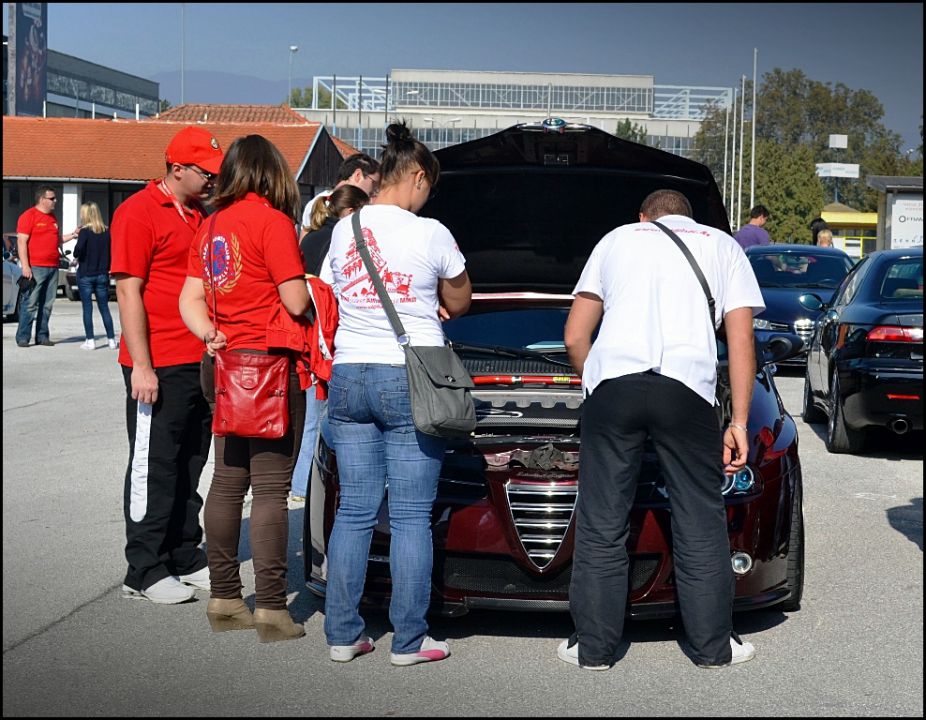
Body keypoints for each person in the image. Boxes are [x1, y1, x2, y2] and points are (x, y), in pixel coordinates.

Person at [559, 188, 765, 670]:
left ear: (643, 217)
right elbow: (740, 341)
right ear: (691, 218)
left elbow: (574, 335)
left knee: (602, 522)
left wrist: (600, 385)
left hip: (615, 385)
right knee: (699, 519)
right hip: (686, 389)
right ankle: (714, 649)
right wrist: (736, 421)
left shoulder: (616, 240)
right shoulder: (723, 245)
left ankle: (593, 651)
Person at [320, 121, 471, 666]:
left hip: (349, 372)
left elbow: (337, 291)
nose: (427, 197)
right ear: (414, 176)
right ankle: (408, 640)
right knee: (410, 515)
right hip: (408, 377)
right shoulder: (430, 232)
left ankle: (343, 634)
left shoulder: (345, 227)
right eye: (427, 187)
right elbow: (460, 299)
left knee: (355, 511)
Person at [179, 134, 310, 643]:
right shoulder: (272, 222)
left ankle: (225, 596)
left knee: (228, 481)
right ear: (270, 172)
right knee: (272, 488)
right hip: (271, 367)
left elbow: (189, 298)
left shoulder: (210, 225)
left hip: (225, 363)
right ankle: (273, 609)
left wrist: (209, 333)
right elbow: (295, 301)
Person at [110, 125, 223, 605]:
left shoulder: (199, 213)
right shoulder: (137, 213)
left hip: (197, 357)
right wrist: (141, 365)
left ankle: (182, 552)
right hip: (157, 359)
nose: (213, 181)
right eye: (205, 172)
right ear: (177, 168)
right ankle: (144, 568)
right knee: (154, 464)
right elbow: (127, 290)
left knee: (192, 459)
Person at [290, 184, 371, 503]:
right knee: (321, 419)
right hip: (326, 339)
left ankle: (299, 483)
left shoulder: (310, 236)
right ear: (351, 211)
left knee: (310, 419)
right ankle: (304, 485)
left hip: (307, 335)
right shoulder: (344, 238)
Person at [14, 186, 79, 347]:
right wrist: (25, 266)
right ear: (42, 199)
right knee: (30, 303)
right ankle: (23, 337)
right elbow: (21, 242)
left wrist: (73, 234)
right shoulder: (28, 216)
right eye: (52, 198)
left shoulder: (52, 218)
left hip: (53, 267)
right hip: (36, 267)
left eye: (55, 198)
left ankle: (42, 336)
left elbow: (56, 240)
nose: (55, 201)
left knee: (47, 304)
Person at [300, 152, 380, 239]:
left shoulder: (317, 202)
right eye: (374, 183)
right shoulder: (319, 202)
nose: (375, 190)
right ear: (358, 175)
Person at [74, 202, 117, 350]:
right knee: (104, 307)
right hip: (102, 273)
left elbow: (78, 249)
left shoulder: (85, 232)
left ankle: (90, 340)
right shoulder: (106, 231)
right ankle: (111, 339)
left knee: (87, 308)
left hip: (86, 273)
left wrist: (76, 254)